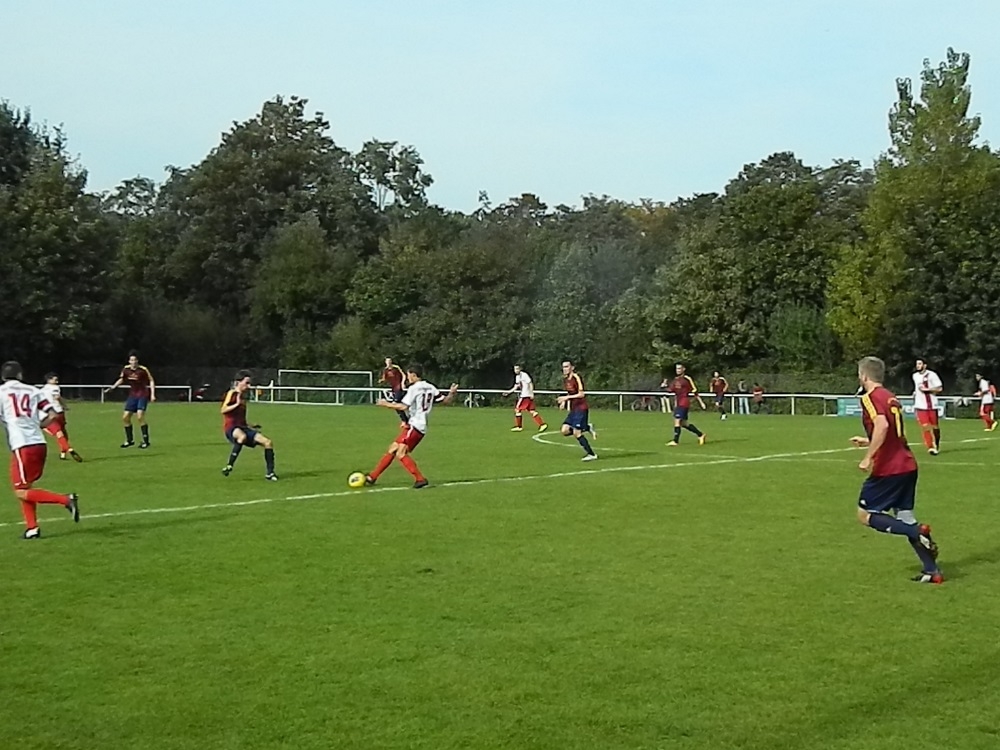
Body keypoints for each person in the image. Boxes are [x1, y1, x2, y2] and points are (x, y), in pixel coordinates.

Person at [850, 356, 942, 584]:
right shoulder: (890, 396)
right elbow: (893, 431)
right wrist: (868, 440)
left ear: (863, 376)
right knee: (905, 517)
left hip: (888, 468)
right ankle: (932, 571)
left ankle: (917, 532)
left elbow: (882, 425)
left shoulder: (870, 397)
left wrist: (868, 457)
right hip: (907, 465)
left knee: (865, 515)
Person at [0, 361, 79, 539]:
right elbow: (52, 414)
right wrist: (38, 425)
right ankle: (32, 529)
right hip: (39, 443)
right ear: (20, 375)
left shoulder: (2, 392)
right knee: (25, 488)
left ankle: (66, 500)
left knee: (21, 491)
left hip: (22, 444)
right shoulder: (33, 390)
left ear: (3, 377)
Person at [365, 364, 458, 488]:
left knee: (401, 453)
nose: (408, 378)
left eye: (409, 375)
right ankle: (372, 477)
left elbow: (403, 406)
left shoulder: (414, 388)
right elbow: (446, 401)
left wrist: (385, 404)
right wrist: (452, 393)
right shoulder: (430, 387)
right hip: (416, 425)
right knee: (393, 449)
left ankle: (420, 479)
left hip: (416, 426)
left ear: (414, 375)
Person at [220, 370, 277, 481]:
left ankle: (270, 473)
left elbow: (241, 419)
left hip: (242, 427)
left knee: (267, 442)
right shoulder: (232, 393)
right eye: (246, 383)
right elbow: (223, 409)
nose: (249, 386)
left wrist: (251, 425)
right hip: (231, 427)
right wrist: (236, 404)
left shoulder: (243, 398)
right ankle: (229, 465)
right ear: (238, 382)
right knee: (242, 436)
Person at [104, 350, 156, 449]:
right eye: (131, 360)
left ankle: (146, 441)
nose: (133, 362)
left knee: (140, 417)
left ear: (137, 361)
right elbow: (122, 379)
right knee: (125, 417)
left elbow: (151, 380)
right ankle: (129, 440)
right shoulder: (126, 369)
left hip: (142, 394)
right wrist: (113, 387)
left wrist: (152, 394)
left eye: (135, 360)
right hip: (133, 395)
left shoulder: (143, 369)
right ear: (129, 361)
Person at [558, 360, 597, 461]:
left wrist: (566, 398)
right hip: (574, 409)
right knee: (564, 431)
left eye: (567, 366)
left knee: (577, 433)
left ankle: (591, 454)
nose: (564, 369)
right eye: (563, 367)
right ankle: (587, 427)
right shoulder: (566, 380)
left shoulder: (576, 377)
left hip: (581, 408)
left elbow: (581, 394)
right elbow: (570, 393)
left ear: (572, 368)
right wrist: (564, 402)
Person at [40, 372, 82, 462]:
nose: (57, 381)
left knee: (59, 433)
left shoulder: (42, 390)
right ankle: (67, 449)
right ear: (49, 380)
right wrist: (65, 405)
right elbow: (57, 397)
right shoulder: (55, 388)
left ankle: (64, 451)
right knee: (62, 432)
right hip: (58, 412)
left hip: (48, 413)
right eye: (55, 380)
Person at [663, 364, 706, 446]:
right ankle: (700, 435)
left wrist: (701, 402)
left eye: (679, 368)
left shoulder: (687, 379)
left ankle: (675, 441)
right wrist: (664, 386)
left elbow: (694, 390)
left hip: (684, 402)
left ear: (684, 369)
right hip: (678, 402)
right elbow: (671, 390)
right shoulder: (675, 380)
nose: (678, 370)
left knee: (677, 420)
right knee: (683, 423)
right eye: (677, 369)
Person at [502, 364, 547, 433]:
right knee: (532, 411)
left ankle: (519, 426)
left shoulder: (524, 375)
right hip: (526, 396)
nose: (516, 370)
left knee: (517, 409)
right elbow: (516, 386)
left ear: (520, 369)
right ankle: (542, 424)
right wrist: (508, 392)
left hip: (525, 396)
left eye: (517, 369)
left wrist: (531, 393)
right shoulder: (517, 377)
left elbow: (530, 383)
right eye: (515, 369)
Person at [912, 358, 943, 455]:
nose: (917, 366)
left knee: (935, 427)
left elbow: (939, 388)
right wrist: (915, 393)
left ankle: (936, 443)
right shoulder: (915, 376)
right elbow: (917, 388)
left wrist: (928, 390)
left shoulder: (932, 375)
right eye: (917, 364)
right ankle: (930, 447)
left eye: (920, 364)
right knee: (925, 426)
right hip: (920, 405)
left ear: (925, 365)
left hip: (931, 405)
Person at [379, 357, 408, 423]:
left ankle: (405, 420)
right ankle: (405, 420)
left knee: (395, 403)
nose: (389, 362)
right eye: (387, 361)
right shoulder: (385, 370)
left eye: (390, 361)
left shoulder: (396, 368)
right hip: (393, 389)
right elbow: (384, 378)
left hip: (399, 388)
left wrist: (403, 383)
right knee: (397, 405)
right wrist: (381, 381)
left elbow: (403, 375)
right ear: (385, 362)